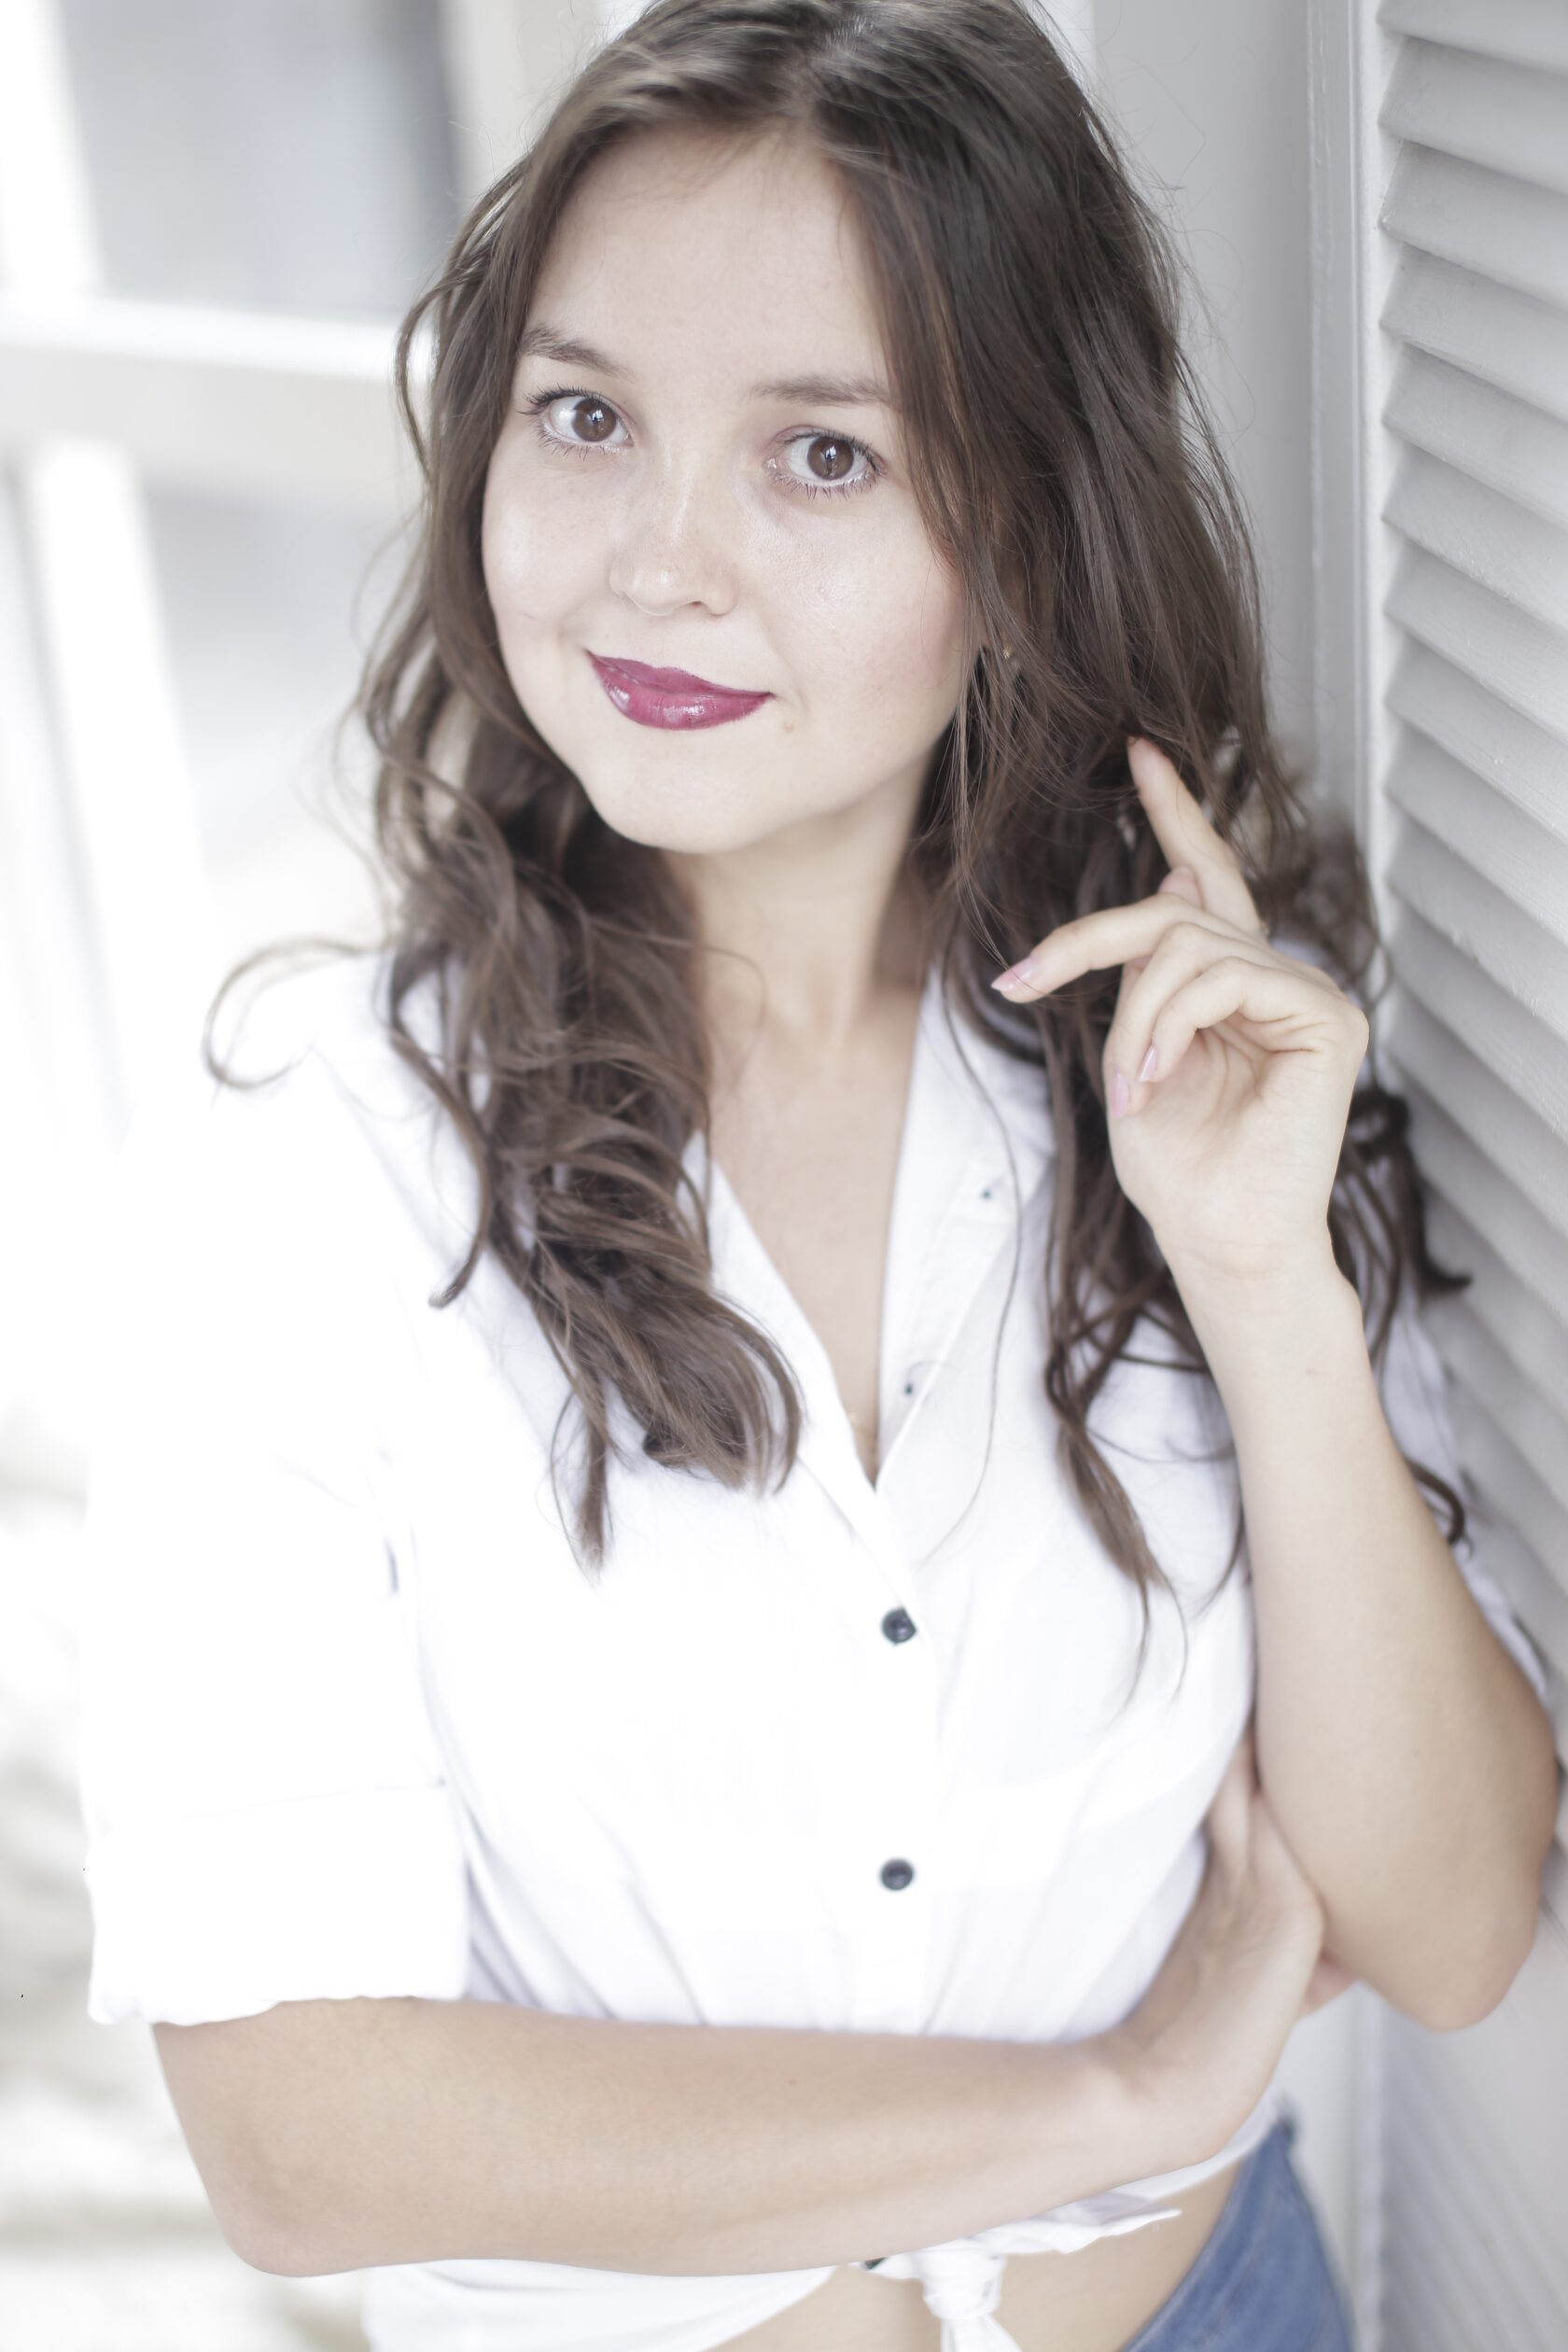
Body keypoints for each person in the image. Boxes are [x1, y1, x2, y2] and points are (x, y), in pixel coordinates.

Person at [77, 4, 1557, 2349]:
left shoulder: (1189, 1058)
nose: (660, 566)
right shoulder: (310, 1167)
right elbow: (300, 2133)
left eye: (824, 456)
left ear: (1023, 513)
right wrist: (1115, 2093)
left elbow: (1453, 1924)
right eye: (587, 418)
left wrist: (1263, 1277)